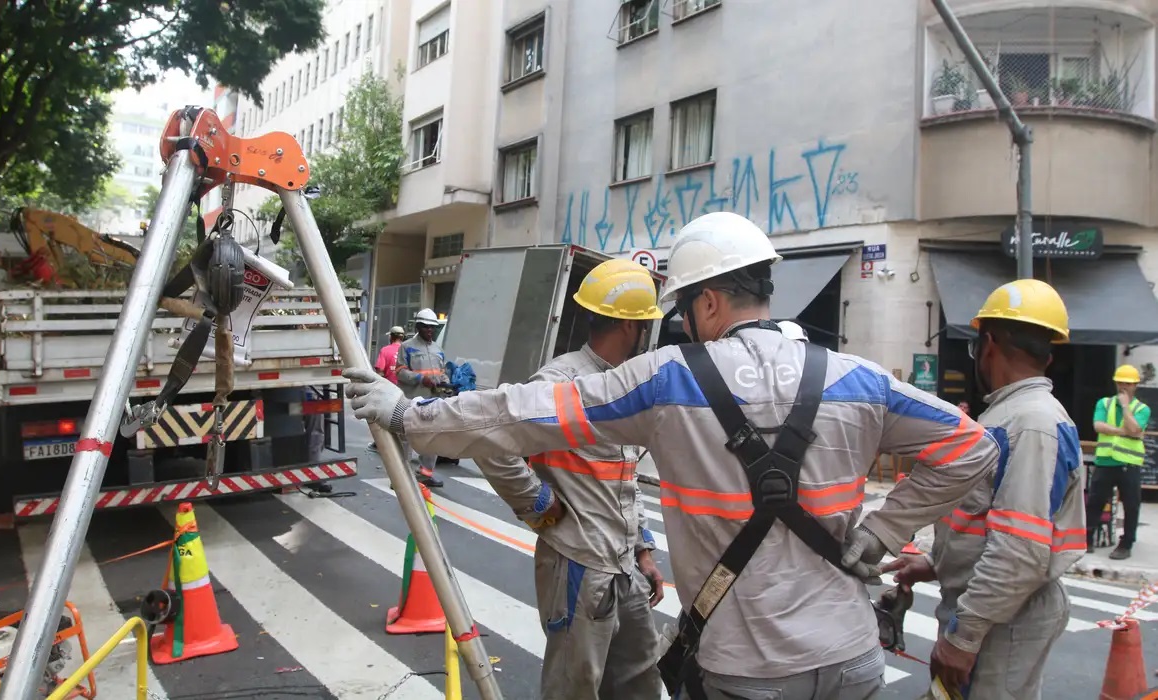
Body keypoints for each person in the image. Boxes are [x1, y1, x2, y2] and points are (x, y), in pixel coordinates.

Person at [343, 211, 998, 700]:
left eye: (684, 309)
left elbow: (521, 415)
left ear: (709, 300)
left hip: (747, 671)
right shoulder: (857, 379)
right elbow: (972, 448)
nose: (680, 325)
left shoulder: (667, 380)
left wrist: (409, 416)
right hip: (853, 663)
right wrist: (884, 529)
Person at [473, 259, 666, 700]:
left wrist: (644, 549)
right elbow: (490, 442)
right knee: (574, 687)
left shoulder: (624, 383)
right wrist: (538, 503)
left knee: (640, 681)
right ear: (629, 327)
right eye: (644, 326)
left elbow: (623, 478)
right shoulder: (562, 382)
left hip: (623, 564)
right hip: (578, 563)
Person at [883, 279, 1085, 698]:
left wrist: (964, 638)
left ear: (988, 344)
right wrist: (936, 564)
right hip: (993, 609)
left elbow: (1019, 551)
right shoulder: (1010, 415)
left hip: (1005, 619)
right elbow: (986, 521)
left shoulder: (1031, 424)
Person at [1086, 363, 1151, 560]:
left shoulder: (1141, 408)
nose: (1124, 386)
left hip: (1129, 464)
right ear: (1115, 383)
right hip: (1106, 461)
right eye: (1121, 382)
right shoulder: (1104, 403)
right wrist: (1123, 431)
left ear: (1135, 386)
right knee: (1096, 501)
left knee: (1131, 505)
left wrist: (1124, 407)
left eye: (1128, 383)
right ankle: (1086, 538)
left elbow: (1135, 428)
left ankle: (1126, 544)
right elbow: (1098, 425)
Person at [396, 308, 450, 488]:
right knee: (406, 438)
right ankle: (401, 478)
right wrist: (420, 379)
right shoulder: (407, 346)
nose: (430, 330)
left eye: (432, 328)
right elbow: (400, 372)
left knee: (432, 437)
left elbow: (441, 373)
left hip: (433, 400)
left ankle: (426, 474)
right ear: (418, 326)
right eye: (426, 327)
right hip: (412, 399)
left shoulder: (438, 349)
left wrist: (447, 384)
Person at [367, 326, 406, 453]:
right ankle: (402, 443)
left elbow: (380, 372)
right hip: (405, 389)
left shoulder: (385, 350)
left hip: (390, 390)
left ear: (391, 337)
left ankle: (381, 443)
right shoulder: (407, 350)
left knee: (383, 416)